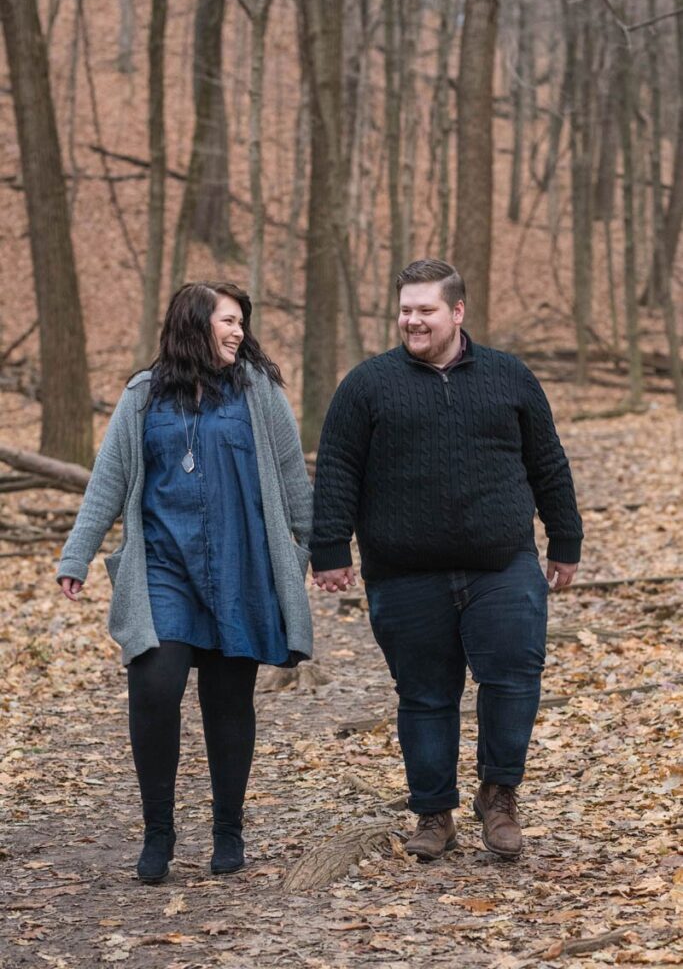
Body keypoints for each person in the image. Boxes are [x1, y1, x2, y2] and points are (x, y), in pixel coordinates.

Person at [311, 258, 582, 862]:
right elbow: (336, 471)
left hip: (501, 563)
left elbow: (548, 462)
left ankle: (499, 794)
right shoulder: (366, 385)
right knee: (426, 696)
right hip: (405, 573)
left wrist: (566, 539)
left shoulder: (510, 376)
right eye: (405, 309)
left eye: (425, 310)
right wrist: (329, 549)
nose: (412, 320)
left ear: (456, 312)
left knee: (514, 676)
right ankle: (434, 814)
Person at [57, 281, 312, 883]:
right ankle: (158, 832)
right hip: (165, 570)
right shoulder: (144, 396)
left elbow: (292, 476)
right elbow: (109, 480)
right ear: (194, 325)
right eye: (228, 320)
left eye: (242, 322)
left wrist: (305, 556)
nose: (239, 331)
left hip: (241, 567)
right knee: (154, 685)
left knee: (227, 703)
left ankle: (228, 830)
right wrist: (77, 555)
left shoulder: (259, 394)